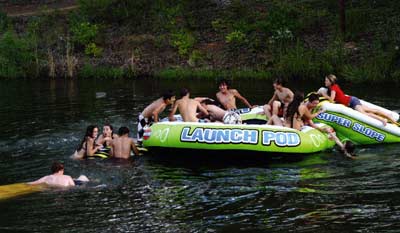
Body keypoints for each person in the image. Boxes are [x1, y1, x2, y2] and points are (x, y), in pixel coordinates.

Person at [320, 74, 396, 125]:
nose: (324, 81)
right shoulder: (333, 87)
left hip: (351, 102)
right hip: (352, 100)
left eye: (326, 80)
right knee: (371, 110)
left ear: (331, 81)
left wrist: (324, 95)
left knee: (364, 113)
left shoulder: (333, 88)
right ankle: (388, 116)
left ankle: (382, 119)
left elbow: (331, 100)